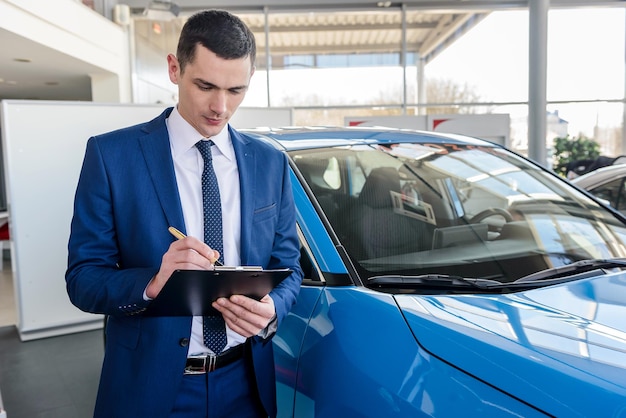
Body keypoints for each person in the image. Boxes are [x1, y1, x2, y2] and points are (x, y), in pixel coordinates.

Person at [65, 9, 303, 418]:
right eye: (205, 85)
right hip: (149, 388)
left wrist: (272, 309)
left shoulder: (270, 163)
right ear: (174, 69)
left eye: (236, 90)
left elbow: (289, 268)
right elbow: (83, 280)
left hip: (246, 385)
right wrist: (154, 282)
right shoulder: (111, 156)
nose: (220, 107)